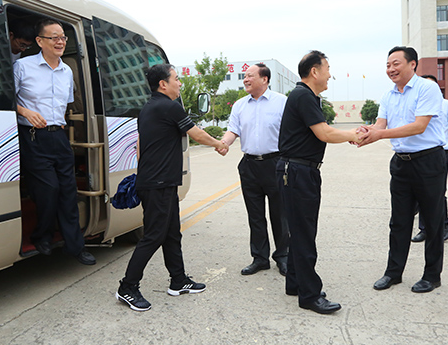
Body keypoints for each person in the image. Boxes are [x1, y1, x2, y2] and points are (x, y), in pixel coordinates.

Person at [116, 63, 228, 312]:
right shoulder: (168, 106)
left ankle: (178, 280)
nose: (180, 83)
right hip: (157, 184)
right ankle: (127, 287)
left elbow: (140, 145)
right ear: (163, 84)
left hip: (159, 182)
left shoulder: (149, 107)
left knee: (172, 233)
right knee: (154, 235)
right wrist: (219, 143)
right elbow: (197, 133)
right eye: (176, 79)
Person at [358, 46, 447, 294]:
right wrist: (365, 133)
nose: (391, 69)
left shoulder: (427, 89)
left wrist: (379, 134)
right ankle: (393, 272)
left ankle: (432, 275)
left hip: (428, 161)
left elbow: (419, 126)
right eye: (388, 65)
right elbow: (380, 124)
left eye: (396, 63)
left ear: (413, 65)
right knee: (399, 221)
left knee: (432, 221)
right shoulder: (388, 96)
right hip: (401, 163)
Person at [276, 51, 360, 314]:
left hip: (298, 171)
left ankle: (296, 283)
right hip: (298, 172)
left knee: (300, 231)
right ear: (314, 71)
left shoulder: (307, 97)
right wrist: (354, 134)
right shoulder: (303, 95)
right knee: (304, 233)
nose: (329, 75)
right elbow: (324, 132)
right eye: (327, 69)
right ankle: (310, 295)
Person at [14, 18, 95, 265]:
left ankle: (75, 246)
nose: (60, 42)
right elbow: (4, 100)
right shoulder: (22, 67)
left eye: (63, 37)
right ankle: (42, 236)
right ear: (40, 41)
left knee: (68, 192)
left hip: (59, 136)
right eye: (54, 37)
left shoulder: (67, 70)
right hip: (33, 138)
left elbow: (67, 103)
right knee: (48, 190)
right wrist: (26, 112)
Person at [218, 63, 289, 276]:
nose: (245, 79)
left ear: (264, 79)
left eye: (250, 76)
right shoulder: (240, 105)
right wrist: (224, 143)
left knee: (280, 214)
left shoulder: (282, 102)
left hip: (275, 163)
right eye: (245, 76)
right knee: (255, 215)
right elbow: (233, 130)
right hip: (249, 165)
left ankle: (283, 257)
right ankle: (259, 258)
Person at [411, 74, 448, 243]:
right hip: (418, 154)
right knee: (420, 193)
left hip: (440, 153)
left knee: (438, 193)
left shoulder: (447, 105)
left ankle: (444, 225)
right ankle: (424, 229)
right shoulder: (417, 104)